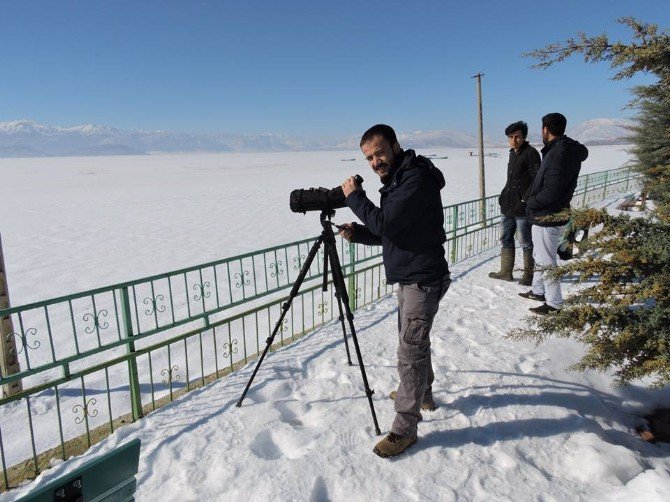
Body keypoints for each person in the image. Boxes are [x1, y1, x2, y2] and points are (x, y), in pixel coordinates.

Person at [339, 124, 451, 458]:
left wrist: (355, 198)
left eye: (380, 153)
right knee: (414, 344)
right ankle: (423, 394)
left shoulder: (413, 179)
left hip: (422, 278)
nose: (375, 162)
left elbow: (387, 223)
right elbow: (395, 228)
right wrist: (360, 232)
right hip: (411, 275)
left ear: (396, 145)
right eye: (369, 158)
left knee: (410, 353)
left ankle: (404, 429)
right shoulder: (402, 178)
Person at [519, 113, 588, 315]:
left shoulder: (558, 153)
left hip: (548, 214)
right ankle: (539, 291)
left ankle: (555, 303)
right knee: (540, 255)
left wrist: (530, 202)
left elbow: (551, 190)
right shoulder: (564, 149)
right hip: (552, 211)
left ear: (545, 130)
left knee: (547, 260)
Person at [489, 121, 541, 285]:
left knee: (525, 242)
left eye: (517, 137)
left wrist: (525, 199)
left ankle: (529, 275)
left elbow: (537, 179)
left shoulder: (531, 153)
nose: (514, 140)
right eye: (510, 137)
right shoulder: (512, 153)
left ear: (524, 137)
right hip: (508, 205)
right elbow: (510, 180)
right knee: (505, 238)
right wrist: (503, 196)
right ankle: (506, 272)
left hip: (522, 207)